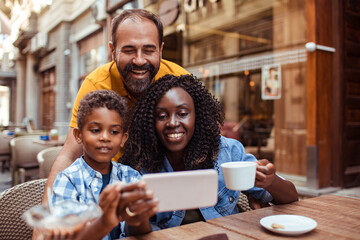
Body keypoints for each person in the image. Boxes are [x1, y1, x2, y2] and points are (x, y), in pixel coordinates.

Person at [42, 9, 188, 205]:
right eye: (128, 50)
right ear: (113, 51)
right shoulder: (96, 84)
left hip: (171, 186)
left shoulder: (179, 81)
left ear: (160, 50)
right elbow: (69, 153)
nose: (139, 60)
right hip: (115, 191)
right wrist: (45, 221)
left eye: (149, 50)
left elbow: (208, 139)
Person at [120, 74, 298, 230]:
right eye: (162, 116)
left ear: (197, 116)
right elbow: (129, 230)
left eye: (182, 113)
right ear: (150, 122)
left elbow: (291, 197)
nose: (172, 123)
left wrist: (270, 180)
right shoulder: (139, 166)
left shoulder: (227, 151)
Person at [51, 90, 158, 239]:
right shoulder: (67, 180)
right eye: (95, 130)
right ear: (79, 135)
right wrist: (105, 221)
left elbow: (142, 232)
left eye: (114, 132)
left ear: (123, 138)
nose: (105, 137)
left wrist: (136, 217)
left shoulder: (131, 177)